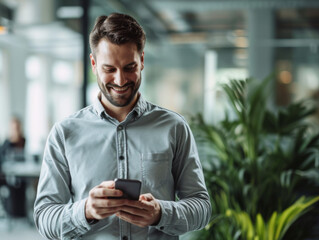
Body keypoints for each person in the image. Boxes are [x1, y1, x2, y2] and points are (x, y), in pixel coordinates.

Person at [34, 13, 211, 240]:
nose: (120, 80)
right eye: (109, 69)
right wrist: (86, 211)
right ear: (94, 64)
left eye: (130, 67)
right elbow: (44, 218)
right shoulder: (64, 133)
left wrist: (161, 213)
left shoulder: (174, 127)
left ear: (142, 61)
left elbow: (201, 208)